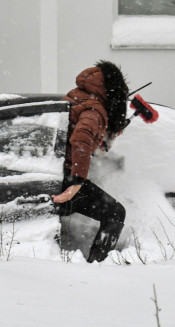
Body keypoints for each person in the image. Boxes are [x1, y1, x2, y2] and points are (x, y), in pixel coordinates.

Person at [52, 60, 128, 263]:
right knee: (116, 213)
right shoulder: (96, 110)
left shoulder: (76, 96)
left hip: (50, 170)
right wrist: (77, 180)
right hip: (65, 180)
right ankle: (98, 264)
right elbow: (81, 139)